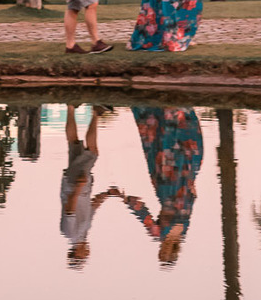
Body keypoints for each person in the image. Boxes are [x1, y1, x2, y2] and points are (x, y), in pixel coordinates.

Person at [120, 106, 204, 264]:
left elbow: (144, 215)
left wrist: (128, 200)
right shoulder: (174, 233)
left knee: (168, 145)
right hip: (177, 184)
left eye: (162, 253)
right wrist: (126, 199)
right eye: (165, 253)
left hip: (175, 184)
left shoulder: (170, 233)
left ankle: (170, 111)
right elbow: (144, 213)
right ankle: (173, 111)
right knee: (169, 146)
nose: (162, 250)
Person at [60, 104, 121, 267]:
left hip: (76, 184)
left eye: (83, 258)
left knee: (93, 152)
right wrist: (108, 194)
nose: (88, 255)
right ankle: (71, 107)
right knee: (73, 145)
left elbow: (70, 210)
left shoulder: (70, 234)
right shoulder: (83, 233)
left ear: (76, 255)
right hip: (78, 185)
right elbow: (92, 207)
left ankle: (96, 112)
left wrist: (79, 186)